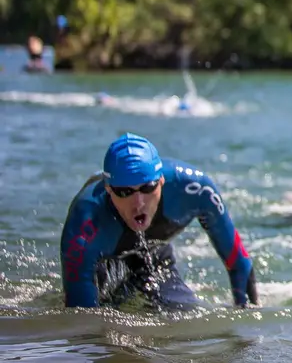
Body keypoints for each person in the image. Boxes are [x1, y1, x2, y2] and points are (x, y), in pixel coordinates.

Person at [60, 133, 259, 310]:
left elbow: (239, 263)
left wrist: (246, 330)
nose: (138, 203)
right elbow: (82, 324)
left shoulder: (195, 189)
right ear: (109, 189)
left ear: (161, 181)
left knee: (184, 315)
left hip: (154, 255)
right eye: (124, 192)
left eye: (147, 188)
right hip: (105, 264)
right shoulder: (84, 223)